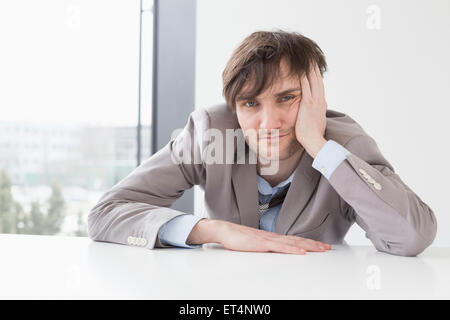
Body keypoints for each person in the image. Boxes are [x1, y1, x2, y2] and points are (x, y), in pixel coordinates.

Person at [88, 30, 437, 256]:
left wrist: (318, 145)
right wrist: (214, 231)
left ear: (316, 96)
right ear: (234, 106)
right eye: (251, 103)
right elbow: (106, 214)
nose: (269, 124)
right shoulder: (211, 133)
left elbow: (412, 236)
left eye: (287, 98)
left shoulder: (344, 146)